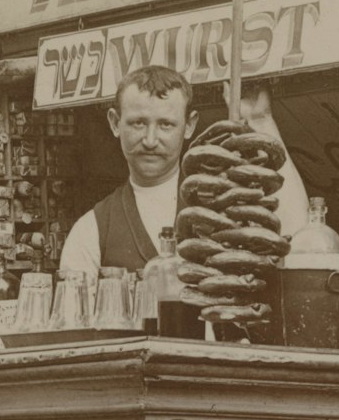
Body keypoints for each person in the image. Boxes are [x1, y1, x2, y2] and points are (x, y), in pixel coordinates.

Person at [59, 64, 310, 275]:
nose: (150, 139)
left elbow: (298, 237)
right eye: (138, 123)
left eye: (166, 124)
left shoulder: (223, 199)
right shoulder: (91, 229)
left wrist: (259, 120)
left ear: (189, 126)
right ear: (115, 123)